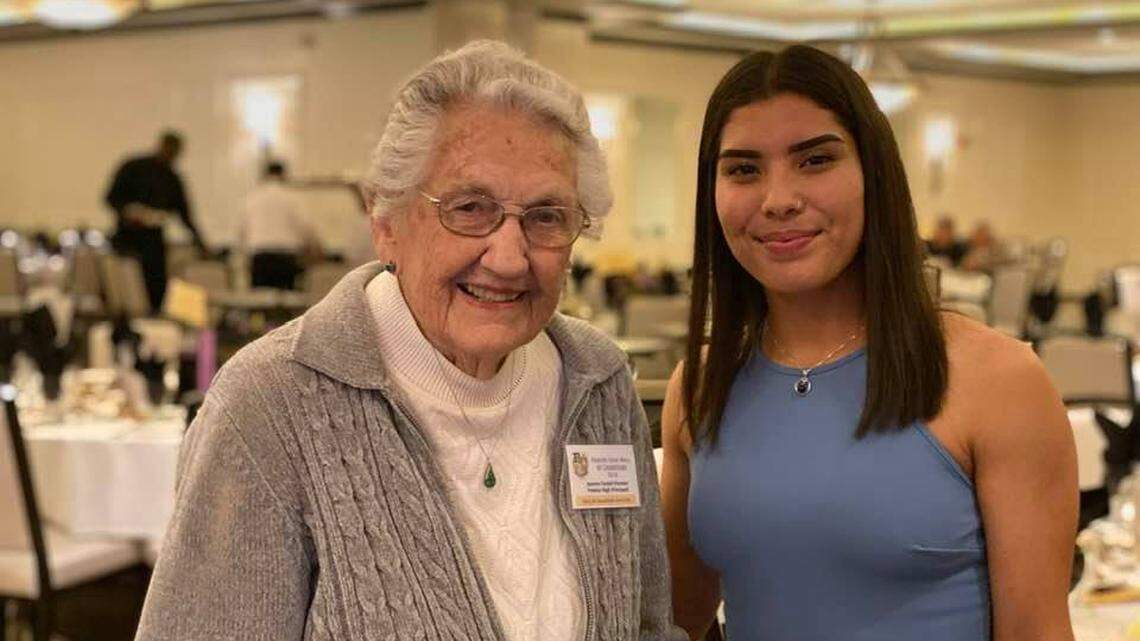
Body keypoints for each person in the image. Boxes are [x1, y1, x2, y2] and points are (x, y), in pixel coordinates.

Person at [136, 41, 684, 641]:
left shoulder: (597, 379)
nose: (508, 257)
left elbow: (648, 626)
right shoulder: (270, 405)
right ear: (386, 224)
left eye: (547, 216)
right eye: (470, 208)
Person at [660, 45, 1077, 641]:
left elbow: (1036, 632)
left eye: (814, 160)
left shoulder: (996, 379)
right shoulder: (701, 385)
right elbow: (677, 619)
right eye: (744, 169)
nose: (778, 198)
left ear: (873, 173)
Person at [105, 130, 208, 311]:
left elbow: (185, 215)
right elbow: (111, 198)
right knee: (126, 292)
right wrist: (131, 212)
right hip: (127, 240)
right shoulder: (133, 167)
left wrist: (201, 243)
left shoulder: (172, 178)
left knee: (156, 290)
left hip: (152, 243)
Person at [240, 160, 321, 289]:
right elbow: (306, 228)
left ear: (265, 175)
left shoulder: (252, 198)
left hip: (260, 258)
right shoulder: (293, 197)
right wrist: (317, 250)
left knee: (260, 303)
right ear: (284, 175)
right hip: (286, 258)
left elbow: (243, 232)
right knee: (286, 304)